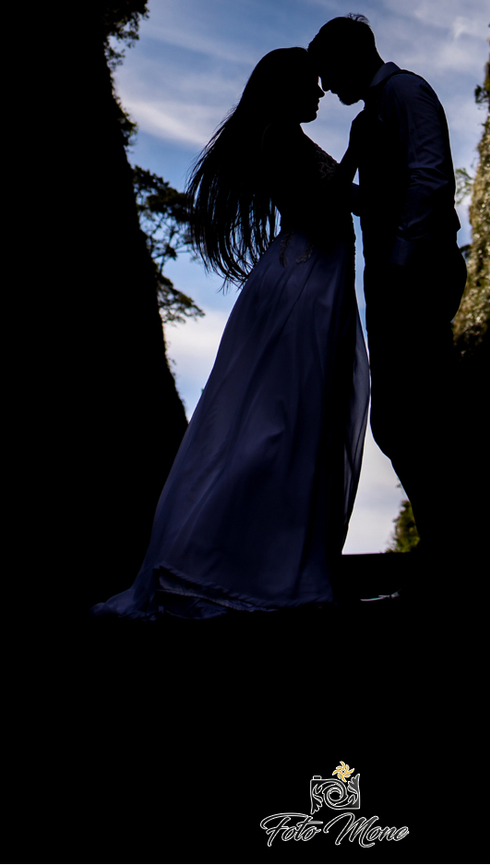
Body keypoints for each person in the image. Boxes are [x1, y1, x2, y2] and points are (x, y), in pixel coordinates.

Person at [92, 48, 368, 620]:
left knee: (297, 418)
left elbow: (341, 200)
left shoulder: (288, 136)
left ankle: (270, 556)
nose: (320, 93)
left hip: (316, 282)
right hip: (302, 285)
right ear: (287, 87)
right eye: (310, 84)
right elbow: (316, 212)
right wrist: (355, 156)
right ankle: (230, 561)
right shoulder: (277, 137)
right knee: (279, 419)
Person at [307, 16, 466, 570]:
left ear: (351, 58)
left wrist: (399, 263)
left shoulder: (406, 93)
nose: (325, 86)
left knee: (417, 411)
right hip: (389, 280)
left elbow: (431, 179)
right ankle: (447, 540)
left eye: (328, 72)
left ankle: (455, 545)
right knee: (402, 416)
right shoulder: (365, 119)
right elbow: (376, 198)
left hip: (416, 274)